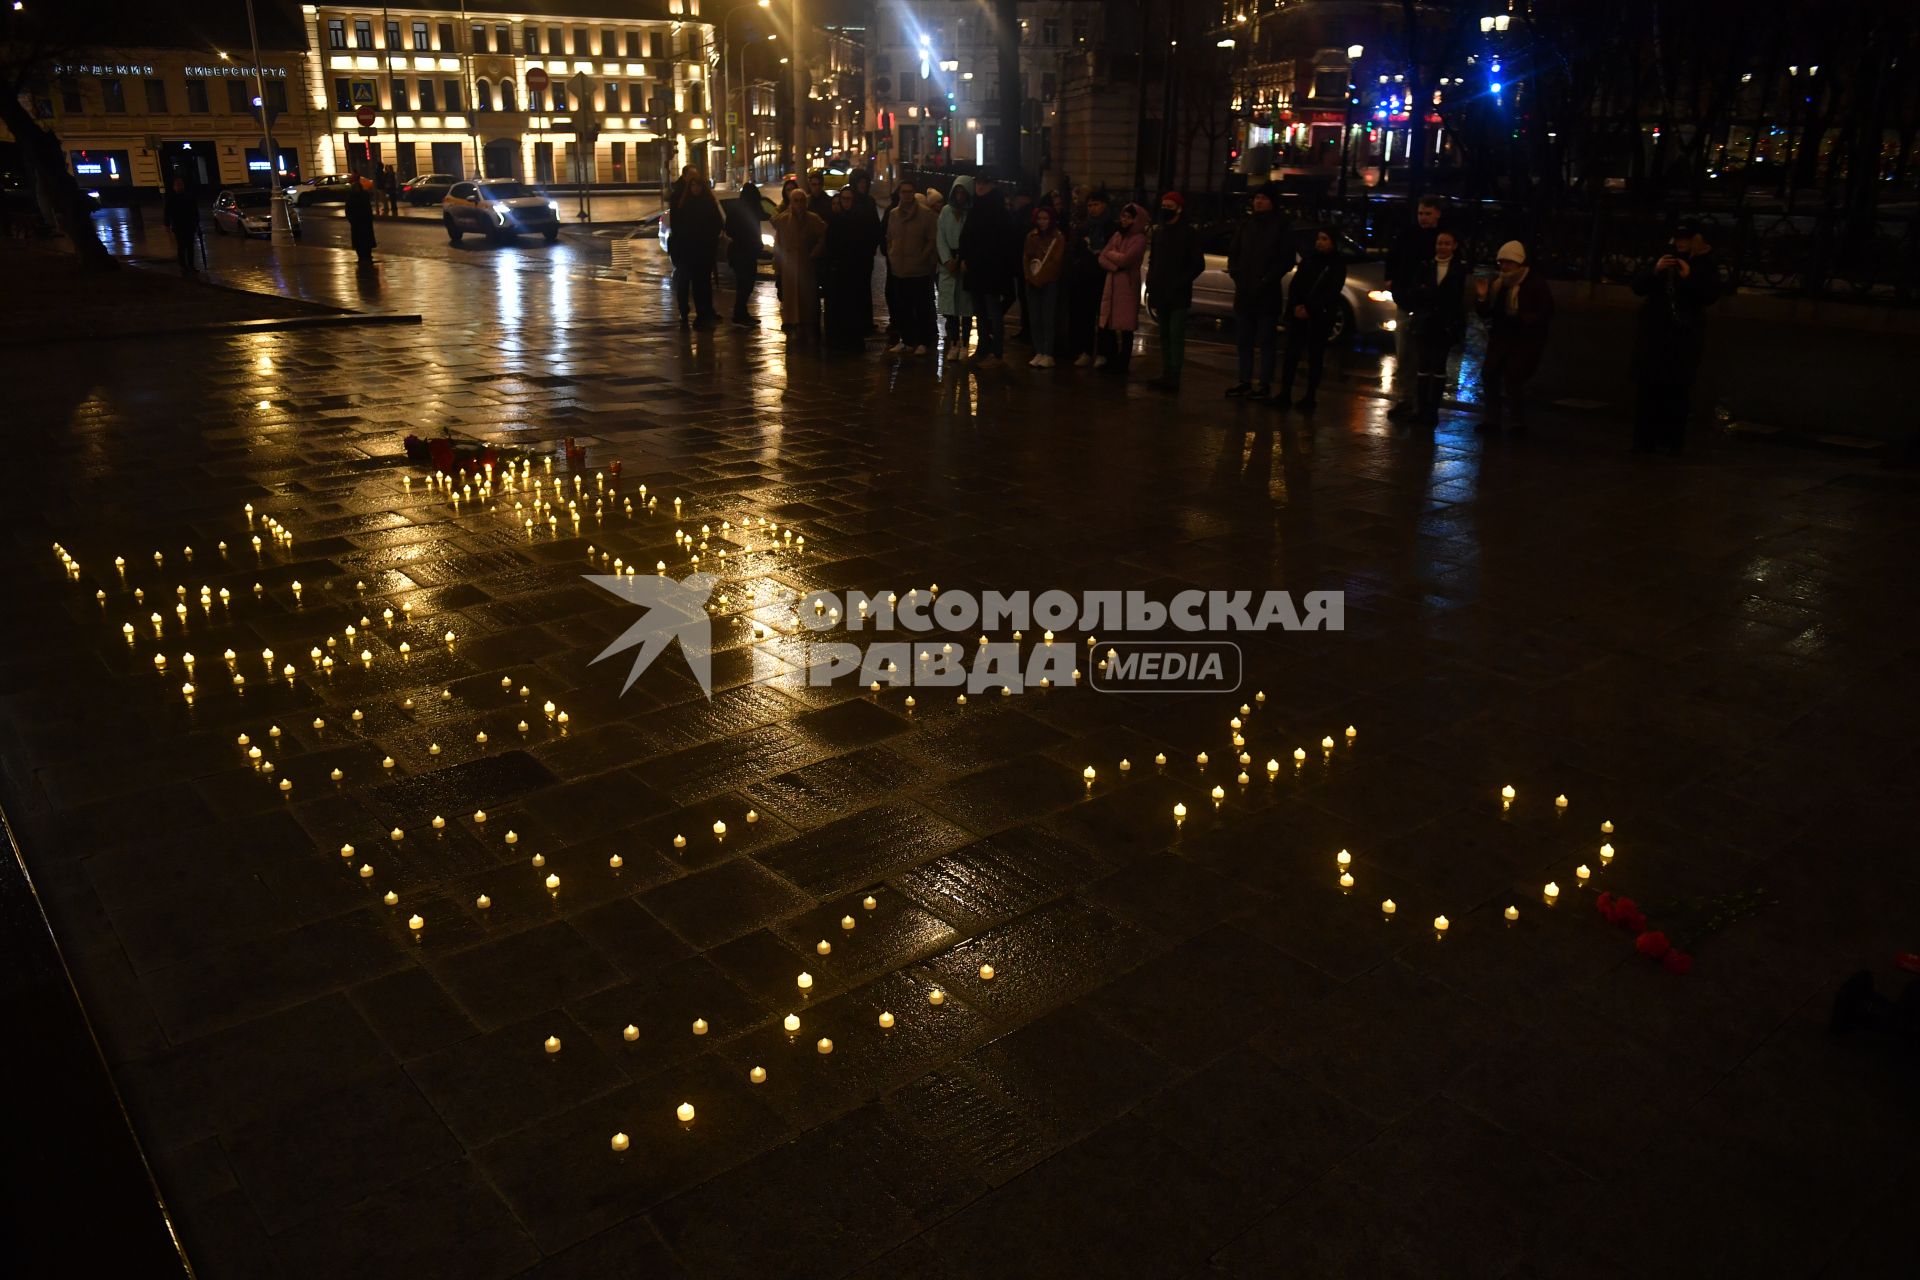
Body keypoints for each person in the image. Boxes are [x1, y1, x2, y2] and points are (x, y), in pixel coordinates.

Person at [1630, 219, 1721, 454]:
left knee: (1676, 390)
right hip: (1655, 334)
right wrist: (1655, 270)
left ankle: (1671, 441)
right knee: (1648, 387)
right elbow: (1639, 287)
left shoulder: (1704, 264)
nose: (1681, 243)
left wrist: (1689, 277)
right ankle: (1645, 440)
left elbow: (1708, 295)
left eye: (1687, 239)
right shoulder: (1664, 258)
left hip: (1683, 336)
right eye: (1679, 238)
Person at [1472, 240, 1554, 434]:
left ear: (1519, 262)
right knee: (1490, 374)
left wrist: (1523, 319)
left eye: (1508, 262)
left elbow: (1545, 311)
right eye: (1501, 262)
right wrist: (1482, 297)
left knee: (1513, 378)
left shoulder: (1534, 283)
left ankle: (1517, 421)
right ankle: (1493, 419)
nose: (1504, 266)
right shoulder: (1499, 283)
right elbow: (1487, 312)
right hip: (1501, 337)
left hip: (1523, 340)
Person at [1224, 186, 1292, 398]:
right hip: (1245, 292)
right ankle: (1244, 380)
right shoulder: (1246, 225)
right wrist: (1237, 274)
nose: (1258, 202)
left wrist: (1267, 278)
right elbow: (1234, 253)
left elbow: (1286, 259)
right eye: (1256, 198)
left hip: (1266, 293)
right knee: (1244, 340)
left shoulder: (1280, 226)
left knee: (1266, 341)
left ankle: (1264, 383)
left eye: (1263, 198)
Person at [1384, 196, 1444, 417]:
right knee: (1404, 354)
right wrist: (1392, 281)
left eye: (1427, 213)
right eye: (1421, 213)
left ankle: (1420, 402)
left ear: (1437, 213)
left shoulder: (1440, 238)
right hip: (1406, 300)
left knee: (1423, 356)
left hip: (1426, 306)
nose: (1423, 218)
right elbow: (1393, 256)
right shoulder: (1408, 235)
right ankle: (1406, 398)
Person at [1275, 229, 1345, 410]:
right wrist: (1296, 306)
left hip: (1319, 316)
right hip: (1302, 313)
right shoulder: (1310, 259)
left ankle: (1310, 397)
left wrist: (1310, 308)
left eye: (1324, 239)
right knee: (1291, 355)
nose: (1320, 243)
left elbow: (1332, 291)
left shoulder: (1336, 263)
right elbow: (1296, 284)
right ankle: (1285, 393)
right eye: (1318, 239)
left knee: (1315, 356)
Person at [1404, 229, 1468, 425]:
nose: (1442, 247)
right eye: (1440, 243)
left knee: (1439, 366)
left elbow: (1457, 299)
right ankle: (1420, 407)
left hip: (1445, 325)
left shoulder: (1459, 269)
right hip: (1425, 322)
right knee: (1423, 365)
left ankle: (1433, 410)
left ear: (1454, 246)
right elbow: (1415, 291)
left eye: (1447, 243)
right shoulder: (1425, 266)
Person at [1144, 190, 1206, 393]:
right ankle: (1166, 372)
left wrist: (1180, 282)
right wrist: (1151, 284)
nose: (1165, 210)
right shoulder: (1160, 232)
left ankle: (1174, 374)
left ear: (1179, 208)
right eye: (1164, 206)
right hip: (1162, 291)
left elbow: (1197, 264)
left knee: (1175, 334)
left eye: (1170, 206)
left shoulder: (1189, 233)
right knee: (1163, 334)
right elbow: (1154, 261)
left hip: (1177, 293)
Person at [957, 170, 1013, 367]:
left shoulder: (997, 210)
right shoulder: (977, 207)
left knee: (992, 312)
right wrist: (964, 258)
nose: (980, 187)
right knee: (980, 311)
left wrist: (971, 259)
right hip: (975, 269)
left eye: (984, 183)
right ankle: (983, 348)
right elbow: (967, 236)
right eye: (978, 183)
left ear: (992, 185)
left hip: (990, 269)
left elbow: (995, 242)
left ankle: (996, 352)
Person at [885, 178, 939, 354]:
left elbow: (932, 240)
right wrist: (892, 255)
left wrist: (922, 257)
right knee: (903, 307)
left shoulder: (926, 215)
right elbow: (890, 238)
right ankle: (907, 340)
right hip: (899, 268)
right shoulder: (893, 214)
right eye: (903, 192)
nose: (906, 195)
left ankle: (923, 341)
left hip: (919, 270)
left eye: (909, 192)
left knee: (921, 306)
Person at [1096, 202, 1149, 377]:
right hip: (1113, 282)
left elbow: (1126, 259)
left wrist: (1112, 256)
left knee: (1126, 327)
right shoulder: (1118, 235)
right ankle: (1112, 359)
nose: (1124, 220)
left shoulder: (1139, 239)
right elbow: (1102, 257)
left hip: (1127, 284)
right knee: (1110, 322)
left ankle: (1123, 362)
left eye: (1128, 217)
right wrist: (1114, 264)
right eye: (1123, 216)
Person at [668, 168, 723, 328]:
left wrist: (710, 239)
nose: (695, 188)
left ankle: (706, 312)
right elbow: (678, 225)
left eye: (697, 184)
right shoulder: (683, 201)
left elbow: (717, 222)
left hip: (704, 250)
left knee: (704, 282)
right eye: (692, 183)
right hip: (688, 250)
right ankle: (691, 312)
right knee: (691, 282)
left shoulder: (707, 202)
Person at [822, 187, 874, 353]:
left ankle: (853, 341)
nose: (846, 202)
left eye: (849, 199)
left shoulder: (861, 219)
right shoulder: (835, 220)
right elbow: (830, 244)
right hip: (840, 271)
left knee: (854, 306)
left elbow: (867, 243)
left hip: (855, 270)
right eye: (843, 199)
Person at [1067, 189, 1115, 366]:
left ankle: (1104, 353)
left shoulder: (1111, 228)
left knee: (1103, 317)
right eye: (1089, 205)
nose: (1092, 209)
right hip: (1085, 277)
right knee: (1085, 316)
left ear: (1104, 205)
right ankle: (1085, 350)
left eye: (1096, 205)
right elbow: (1075, 249)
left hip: (1103, 277)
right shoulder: (1084, 227)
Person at [771, 188, 826, 337]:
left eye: (802, 201)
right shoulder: (783, 220)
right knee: (790, 294)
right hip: (789, 265)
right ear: (790, 202)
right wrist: (778, 264)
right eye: (796, 201)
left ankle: (807, 321)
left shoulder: (813, 219)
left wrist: (814, 253)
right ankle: (791, 320)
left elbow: (823, 237)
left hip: (806, 264)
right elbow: (778, 243)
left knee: (807, 295)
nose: (799, 204)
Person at [1022, 203, 1066, 368]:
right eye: (1039, 218)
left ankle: (1048, 352)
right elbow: (1026, 257)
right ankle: (1039, 350)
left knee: (1047, 318)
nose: (1042, 222)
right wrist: (1030, 276)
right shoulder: (1031, 236)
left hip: (1048, 282)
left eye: (1045, 218)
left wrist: (1040, 277)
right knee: (1035, 317)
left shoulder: (1058, 238)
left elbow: (1055, 262)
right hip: (1033, 280)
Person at [936, 176, 974, 355]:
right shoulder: (945, 212)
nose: (959, 196)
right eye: (957, 192)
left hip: (965, 261)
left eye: (962, 193)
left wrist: (964, 259)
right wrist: (946, 260)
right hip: (949, 263)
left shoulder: (971, 213)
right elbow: (940, 238)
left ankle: (965, 343)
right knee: (950, 308)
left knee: (966, 307)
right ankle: (953, 342)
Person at [725, 180, 766, 325]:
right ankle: (740, 313)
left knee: (744, 284)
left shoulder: (736, 209)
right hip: (746, 253)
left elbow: (728, 229)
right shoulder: (753, 210)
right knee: (745, 285)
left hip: (738, 252)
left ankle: (741, 313)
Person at [162, 176, 199, 272]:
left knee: (188, 247)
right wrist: (167, 224)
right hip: (180, 226)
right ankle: (185, 266)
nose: (179, 187)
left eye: (180, 185)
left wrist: (196, 223)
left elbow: (194, 211)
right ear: (174, 187)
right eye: (178, 185)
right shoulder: (174, 198)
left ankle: (189, 265)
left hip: (187, 225)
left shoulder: (187, 197)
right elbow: (167, 212)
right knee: (183, 246)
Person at [344, 175, 377, 267]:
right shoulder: (364, 195)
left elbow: (348, 209)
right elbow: (368, 209)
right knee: (366, 240)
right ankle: (367, 255)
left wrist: (351, 219)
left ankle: (362, 256)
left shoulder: (351, 196)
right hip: (365, 221)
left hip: (357, 222)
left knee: (359, 241)